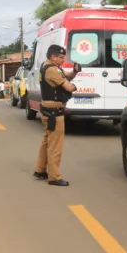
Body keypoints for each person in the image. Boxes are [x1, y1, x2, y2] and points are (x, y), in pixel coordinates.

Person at [33, 44, 80, 186]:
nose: (63, 59)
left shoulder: (47, 66)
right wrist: (74, 87)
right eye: (61, 57)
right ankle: (54, 177)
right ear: (53, 57)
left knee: (47, 141)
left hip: (48, 110)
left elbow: (66, 76)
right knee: (55, 145)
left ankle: (40, 170)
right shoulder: (52, 70)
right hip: (54, 112)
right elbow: (68, 86)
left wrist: (75, 72)